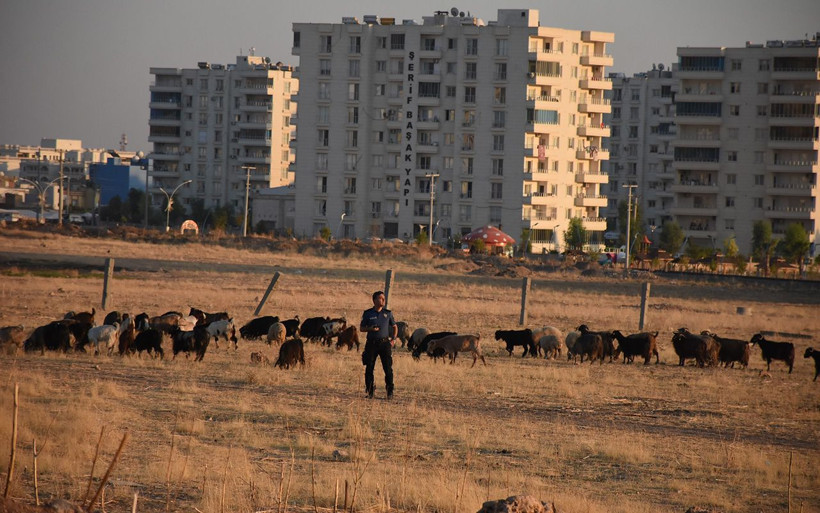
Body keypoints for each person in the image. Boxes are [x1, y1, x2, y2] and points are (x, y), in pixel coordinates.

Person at [359, 290, 397, 399]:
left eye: (384, 298)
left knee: (388, 368)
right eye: (380, 298)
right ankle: (370, 392)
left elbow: (394, 326)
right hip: (371, 344)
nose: (383, 300)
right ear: (374, 300)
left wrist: (393, 339)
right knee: (369, 368)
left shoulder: (388, 313)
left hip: (385, 344)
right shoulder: (368, 313)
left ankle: (390, 392)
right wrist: (370, 329)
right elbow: (361, 328)